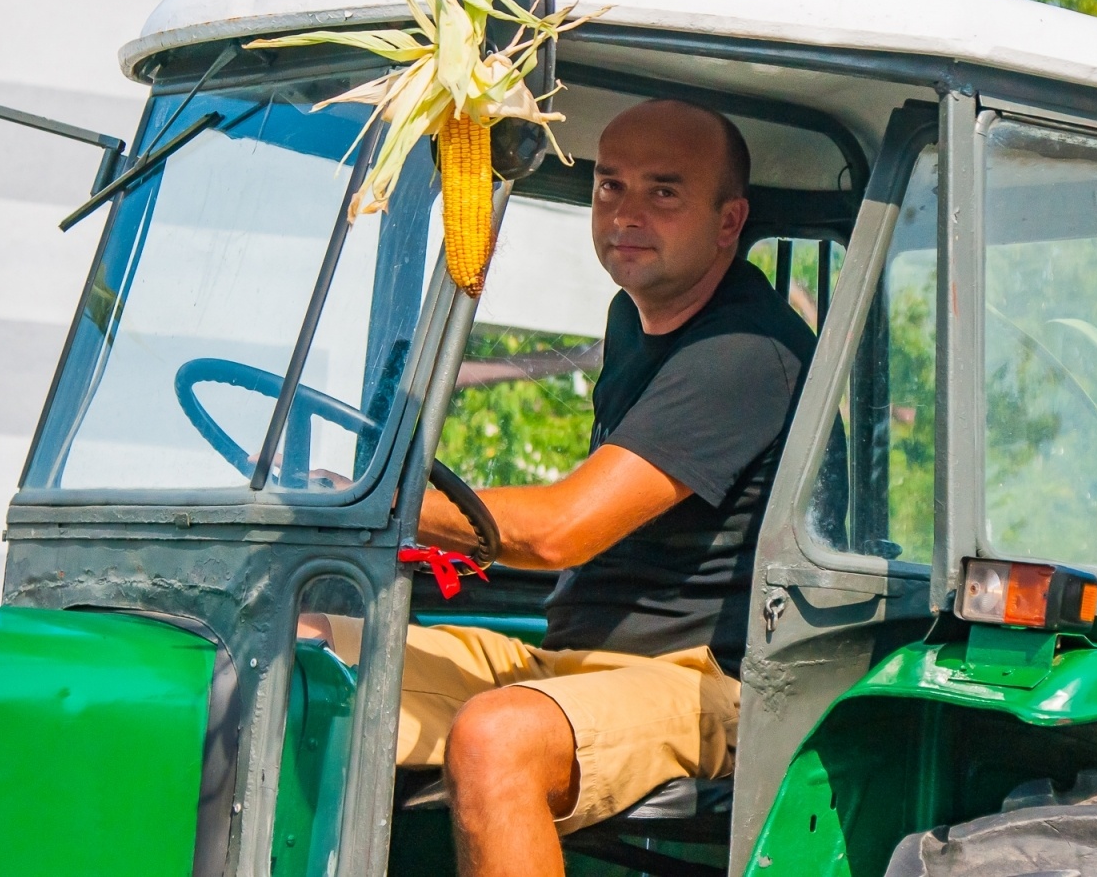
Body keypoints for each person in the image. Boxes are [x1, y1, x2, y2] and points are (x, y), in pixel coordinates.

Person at [301, 98, 817, 877]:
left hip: (704, 681)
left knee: (496, 738)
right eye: (611, 187)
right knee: (286, 650)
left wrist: (378, 498)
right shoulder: (633, 318)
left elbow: (562, 531)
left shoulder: (748, 350)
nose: (625, 214)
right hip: (575, 658)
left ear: (727, 220)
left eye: (663, 192)